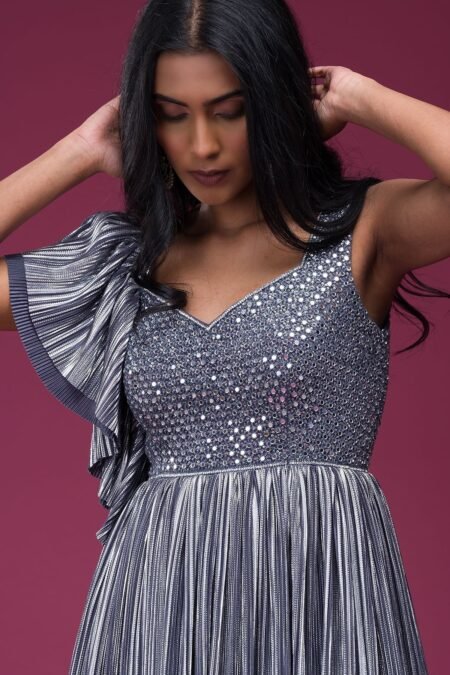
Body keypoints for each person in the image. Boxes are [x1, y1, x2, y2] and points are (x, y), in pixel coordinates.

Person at [1, 0, 448, 672]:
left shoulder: (366, 231)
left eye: (230, 110)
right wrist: (76, 153)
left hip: (323, 602)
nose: (202, 146)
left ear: (276, 101)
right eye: (172, 114)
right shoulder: (124, 268)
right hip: (157, 610)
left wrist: (361, 96)